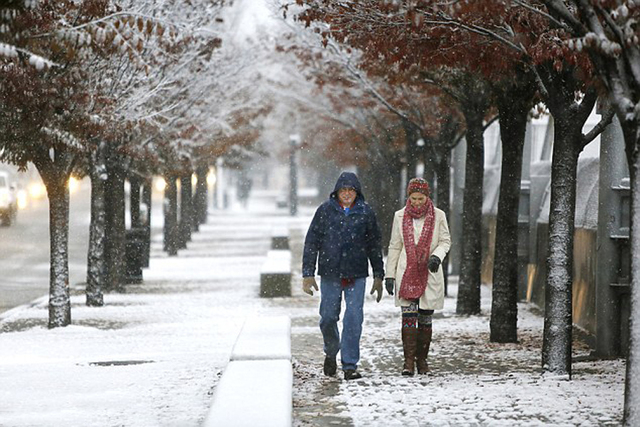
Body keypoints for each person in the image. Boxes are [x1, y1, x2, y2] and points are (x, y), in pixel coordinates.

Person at [302, 171, 385, 380]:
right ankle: (331, 351)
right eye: (343, 190)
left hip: (356, 273)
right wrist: (308, 274)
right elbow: (312, 242)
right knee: (328, 317)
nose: (347, 194)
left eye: (351, 190)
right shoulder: (325, 211)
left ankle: (350, 365)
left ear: (357, 192)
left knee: (354, 318)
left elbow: (374, 245)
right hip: (330, 272)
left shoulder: (366, 213)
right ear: (336, 192)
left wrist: (378, 275)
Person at [384, 177, 451, 376]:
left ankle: (422, 361)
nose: (416, 203)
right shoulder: (400, 216)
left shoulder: (438, 216)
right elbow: (395, 246)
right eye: (413, 198)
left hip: (429, 272)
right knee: (408, 317)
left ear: (427, 197)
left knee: (425, 319)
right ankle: (408, 362)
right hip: (407, 272)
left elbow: (445, 241)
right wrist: (390, 275)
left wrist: (436, 257)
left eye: (420, 199)